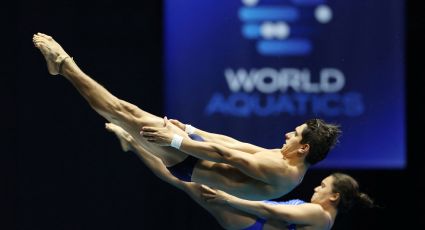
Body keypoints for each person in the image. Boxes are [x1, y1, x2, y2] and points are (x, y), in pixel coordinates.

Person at [33, 33, 341, 200]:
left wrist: (178, 141)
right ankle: (63, 69)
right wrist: (191, 130)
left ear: (304, 148)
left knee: (123, 110)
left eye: (295, 133)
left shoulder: (282, 170)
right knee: (126, 114)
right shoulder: (284, 159)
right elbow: (235, 144)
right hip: (190, 159)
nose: (288, 134)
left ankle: (63, 63)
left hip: (188, 160)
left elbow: (226, 155)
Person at [106, 123, 374, 230]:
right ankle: (134, 144)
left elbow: (271, 211)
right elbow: (236, 147)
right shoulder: (315, 212)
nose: (317, 188)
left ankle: (134, 142)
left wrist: (228, 200)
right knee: (186, 182)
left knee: (185, 182)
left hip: (251, 224)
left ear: (334, 196)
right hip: (251, 217)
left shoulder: (322, 217)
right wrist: (190, 129)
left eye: (323, 186)